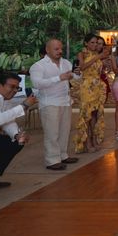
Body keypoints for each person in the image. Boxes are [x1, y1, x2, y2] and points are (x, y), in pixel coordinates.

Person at [29, 39, 79, 170]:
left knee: (64, 130)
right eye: (56, 49)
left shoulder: (66, 63)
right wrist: (59, 78)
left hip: (65, 101)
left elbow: (75, 78)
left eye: (60, 49)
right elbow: (37, 83)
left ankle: (63, 155)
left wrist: (78, 74)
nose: (60, 51)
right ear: (47, 50)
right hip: (49, 102)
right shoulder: (38, 66)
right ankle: (52, 160)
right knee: (52, 132)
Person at [0, 72, 35, 188]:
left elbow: (8, 122)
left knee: (17, 142)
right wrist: (23, 106)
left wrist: (16, 135)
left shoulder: (4, 100)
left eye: (17, 87)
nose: (15, 90)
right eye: (12, 86)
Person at [74, 34, 109, 153]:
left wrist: (105, 63)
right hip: (86, 86)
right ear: (86, 43)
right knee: (87, 115)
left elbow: (100, 70)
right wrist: (98, 57)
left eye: (97, 43)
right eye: (92, 42)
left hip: (97, 86)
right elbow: (83, 67)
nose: (95, 45)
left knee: (95, 114)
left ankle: (93, 139)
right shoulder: (82, 54)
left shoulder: (98, 55)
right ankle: (87, 141)